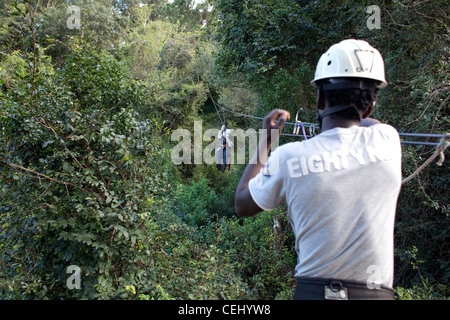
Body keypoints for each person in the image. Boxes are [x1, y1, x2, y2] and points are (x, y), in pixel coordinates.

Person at [234, 39, 402, 300]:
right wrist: (358, 109)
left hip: (314, 293)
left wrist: (267, 139)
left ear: (320, 97)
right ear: (369, 106)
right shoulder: (388, 140)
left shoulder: (289, 157)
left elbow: (242, 203)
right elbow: (371, 123)